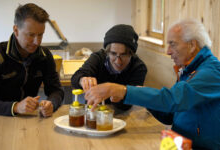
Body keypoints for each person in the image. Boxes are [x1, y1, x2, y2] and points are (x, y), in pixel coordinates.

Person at [85, 19, 220, 149]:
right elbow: (170, 114)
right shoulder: (187, 69)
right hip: (178, 143)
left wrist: (122, 91)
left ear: (192, 45)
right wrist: (141, 95)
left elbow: (173, 100)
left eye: (173, 44)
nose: (168, 51)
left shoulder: (211, 73)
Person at [0, 3, 64, 117]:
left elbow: (56, 90)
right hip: (0, 121)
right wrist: (15, 107)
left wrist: (51, 103)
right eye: (31, 35)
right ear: (16, 30)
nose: (37, 42)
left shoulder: (45, 55)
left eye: (40, 35)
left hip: (29, 119)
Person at [71, 24, 147, 112]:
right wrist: (82, 80)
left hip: (121, 114)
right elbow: (75, 78)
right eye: (113, 54)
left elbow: (127, 105)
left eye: (124, 55)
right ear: (107, 52)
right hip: (94, 111)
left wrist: (118, 96)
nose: (118, 61)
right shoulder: (98, 58)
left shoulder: (138, 68)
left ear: (131, 54)